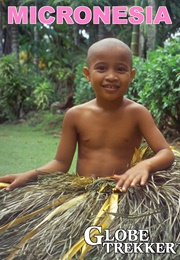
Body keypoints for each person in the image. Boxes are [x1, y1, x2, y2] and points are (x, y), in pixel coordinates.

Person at [0, 38, 174, 192]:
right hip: (84, 193)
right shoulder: (75, 115)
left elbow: (165, 152)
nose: (111, 76)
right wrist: (30, 175)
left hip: (123, 191)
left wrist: (145, 165)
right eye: (101, 68)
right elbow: (61, 164)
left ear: (131, 76)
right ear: (87, 74)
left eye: (121, 69)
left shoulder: (138, 113)